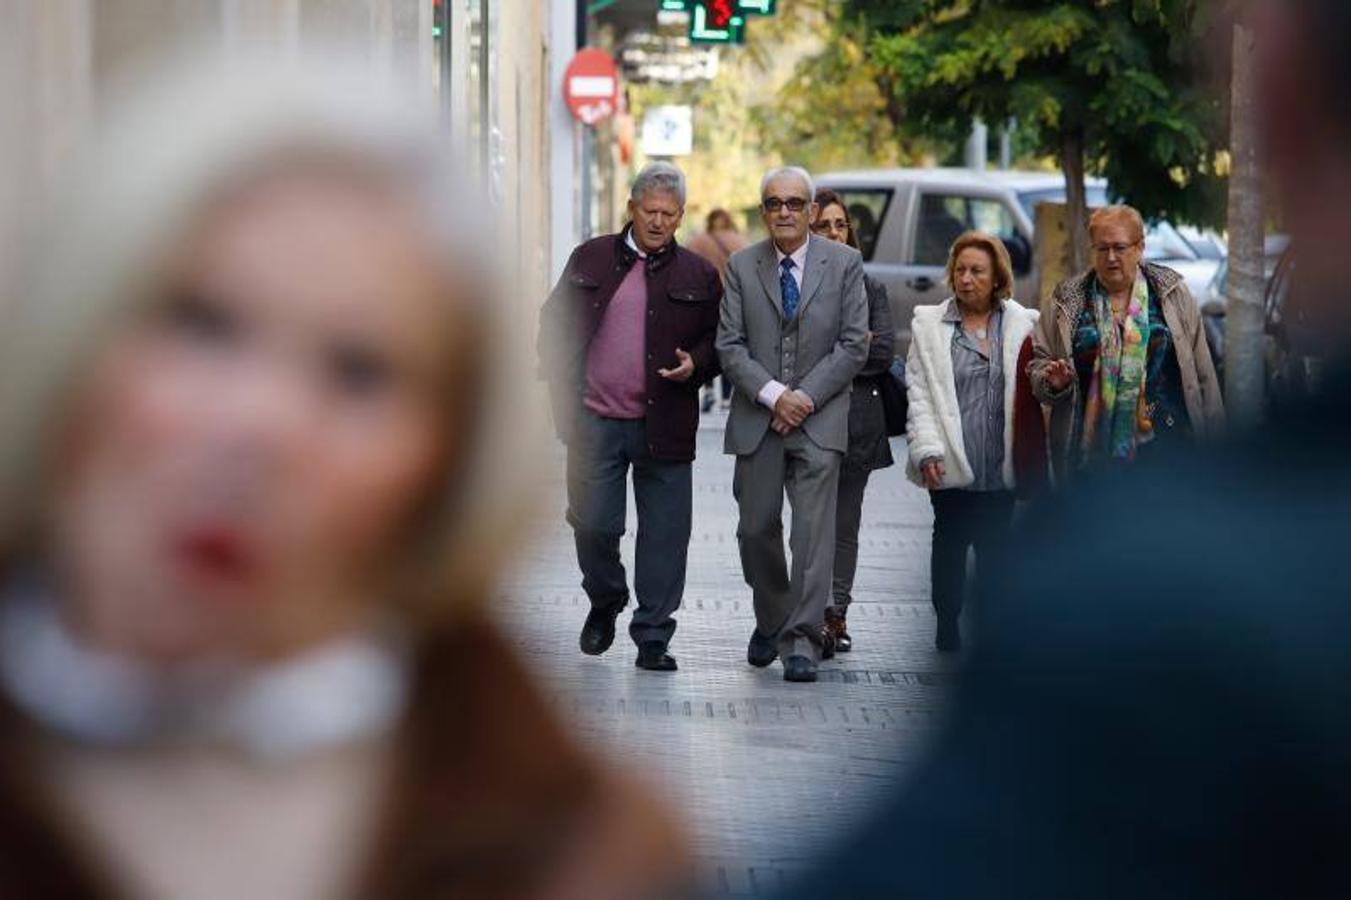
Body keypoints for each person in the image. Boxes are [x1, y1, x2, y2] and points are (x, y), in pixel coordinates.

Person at [0, 56, 686, 900]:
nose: (259, 427)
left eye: (359, 373)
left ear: (445, 461)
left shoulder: (580, 853)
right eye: (201, 323)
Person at [779, 3, 1351, 897]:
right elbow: (1038, 374)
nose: (1116, 257)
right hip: (1098, 455)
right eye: (1104, 246)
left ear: (1277, 105)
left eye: (1125, 244)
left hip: (1162, 464)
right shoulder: (1071, 309)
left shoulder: (1128, 586)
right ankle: (942, 621)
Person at [538, 162, 721, 673]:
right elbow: (552, 323)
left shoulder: (699, 275)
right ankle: (605, 598)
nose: (659, 221)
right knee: (593, 524)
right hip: (593, 419)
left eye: (669, 213)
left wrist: (698, 364)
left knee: (665, 536)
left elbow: (719, 342)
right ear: (631, 208)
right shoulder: (591, 258)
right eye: (650, 211)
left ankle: (653, 637)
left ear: (681, 216)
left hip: (665, 424)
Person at [716, 166, 869, 683]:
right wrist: (775, 394)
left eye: (794, 203)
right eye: (774, 203)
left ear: (809, 210)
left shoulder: (845, 263)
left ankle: (802, 639)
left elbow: (854, 343)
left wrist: (804, 396)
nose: (784, 211)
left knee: (811, 537)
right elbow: (729, 345)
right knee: (755, 530)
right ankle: (773, 617)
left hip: (820, 419)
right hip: (759, 418)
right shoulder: (741, 266)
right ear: (763, 212)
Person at [904, 232, 1040, 652]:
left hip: (999, 461)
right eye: (960, 270)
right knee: (949, 542)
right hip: (950, 461)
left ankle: (993, 625)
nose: (966, 279)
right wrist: (926, 449)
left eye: (977, 271)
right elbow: (919, 393)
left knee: (996, 548)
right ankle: (947, 619)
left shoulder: (1020, 324)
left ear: (997, 276)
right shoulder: (930, 326)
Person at [1029, 205, 1225, 480]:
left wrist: (1217, 450)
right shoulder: (1067, 302)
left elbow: (1204, 375)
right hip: (1090, 464)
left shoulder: (1171, 295)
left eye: (1120, 248)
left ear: (1140, 247)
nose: (1111, 258)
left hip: (1169, 449)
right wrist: (1052, 383)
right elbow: (1039, 364)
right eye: (1102, 248)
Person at [809, 189, 895, 654]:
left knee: (845, 524)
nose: (834, 233)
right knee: (811, 523)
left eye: (840, 225)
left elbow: (881, 352)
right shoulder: (799, 285)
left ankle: (835, 613)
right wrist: (849, 347)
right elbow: (797, 354)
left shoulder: (870, 287)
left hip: (858, 421)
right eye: (824, 226)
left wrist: (836, 353)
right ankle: (812, 610)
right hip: (809, 419)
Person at [687, 208, 748, 412]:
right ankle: (727, 396)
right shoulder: (739, 241)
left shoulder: (699, 241)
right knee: (730, 343)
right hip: (733, 300)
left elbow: (685, 263)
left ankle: (709, 389)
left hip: (705, 300)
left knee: (707, 343)